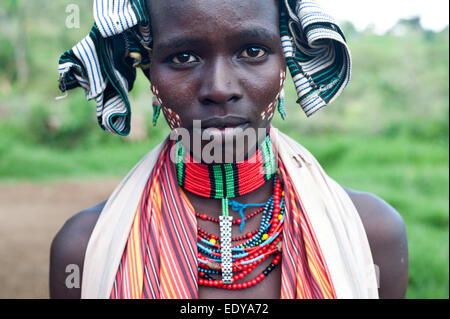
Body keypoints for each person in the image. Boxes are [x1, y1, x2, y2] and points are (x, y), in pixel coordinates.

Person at [50, 0, 408, 299]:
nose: (219, 88)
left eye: (252, 51)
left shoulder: (370, 234)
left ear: (285, 63)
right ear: (150, 74)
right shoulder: (84, 250)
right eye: (183, 57)